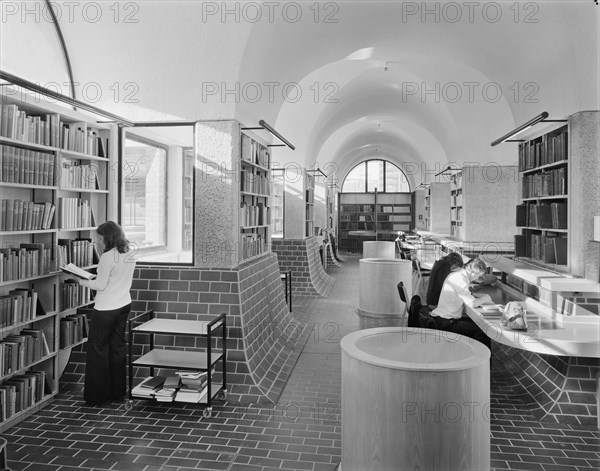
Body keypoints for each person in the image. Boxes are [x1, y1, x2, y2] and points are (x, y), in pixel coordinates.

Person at [78, 221, 136, 405]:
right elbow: (115, 278)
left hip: (105, 309)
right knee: (117, 348)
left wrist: (81, 281)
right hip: (124, 305)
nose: (98, 242)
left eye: (100, 238)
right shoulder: (129, 253)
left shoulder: (107, 257)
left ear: (107, 238)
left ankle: (99, 397)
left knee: (98, 350)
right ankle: (118, 393)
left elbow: (100, 285)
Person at [428, 257, 493, 351]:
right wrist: (485, 298)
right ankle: (482, 362)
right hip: (447, 323)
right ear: (473, 272)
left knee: (479, 324)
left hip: (442, 318)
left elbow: (462, 294)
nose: (478, 279)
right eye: (478, 276)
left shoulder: (456, 274)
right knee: (484, 331)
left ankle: (471, 356)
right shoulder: (461, 279)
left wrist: (474, 295)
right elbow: (471, 303)